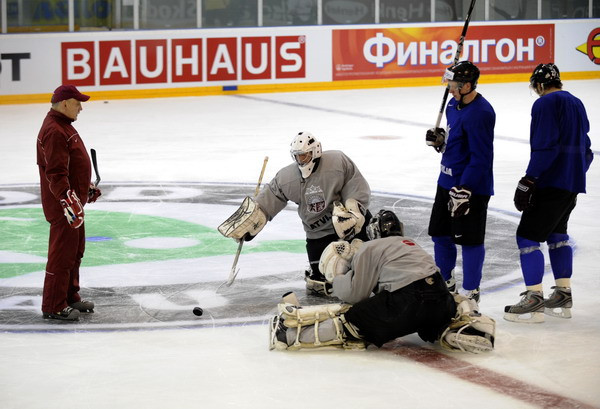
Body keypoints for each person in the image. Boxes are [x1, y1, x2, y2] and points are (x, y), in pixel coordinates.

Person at [268, 210, 496, 353]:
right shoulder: (410, 244)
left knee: (353, 317)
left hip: (406, 302)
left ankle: (288, 335)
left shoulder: (370, 247)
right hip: (439, 298)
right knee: (448, 305)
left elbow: (355, 294)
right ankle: (457, 329)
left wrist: (337, 278)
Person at [218, 131, 371, 296]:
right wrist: (254, 221)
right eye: (297, 156)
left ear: (316, 151)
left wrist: (353, 211)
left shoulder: (337, 162)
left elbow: (355, 183)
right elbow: (271, 197)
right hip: (318, 233)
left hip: (351, 224)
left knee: (367, 260)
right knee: (327, 275)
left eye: (304, 156)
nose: (301, 160)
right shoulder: (287, 177)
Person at [504, 63, 593, 323]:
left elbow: (546, 147)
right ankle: (563, 293)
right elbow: (586, 149)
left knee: (527, 238)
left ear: (539, 85)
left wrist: (530, 178)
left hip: (551, 181)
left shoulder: (543, 104)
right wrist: (575, 172)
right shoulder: (576, 102)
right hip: (572, 182)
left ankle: (533, 299)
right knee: (557, 235)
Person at [425, 61, 495, 303]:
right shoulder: (453, 106)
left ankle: (471, 290)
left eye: (453, 85)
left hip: (470, 188)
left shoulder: (482, 113)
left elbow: (482, 157)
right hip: (445, 183)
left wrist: (465, 187)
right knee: (440, 235)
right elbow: (457, 145)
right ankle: (444, 280)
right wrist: (441, 142)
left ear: (467, 85)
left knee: (470, 240)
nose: (449, 89)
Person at [36, 85, 101, 321]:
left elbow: (71, 167)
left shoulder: (62, 126)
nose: (81, 108)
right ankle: (53, 305)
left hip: (73, 204)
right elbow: (55, 173)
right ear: (65, 104)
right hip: (64, 208)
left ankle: (70, 296)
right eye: (77, 103)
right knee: (62, 254)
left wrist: (86, 189)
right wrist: (66, 200)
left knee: (74, 252)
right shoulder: (54, 131)